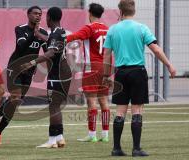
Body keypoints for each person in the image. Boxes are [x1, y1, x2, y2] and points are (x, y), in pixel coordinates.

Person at [103, 0, 176, 157]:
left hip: (120, 73)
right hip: (137, 72)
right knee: (137, 110)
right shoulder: (142, 28)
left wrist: (105, 75)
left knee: (120, 111)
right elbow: (155, 49)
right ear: (133, 11)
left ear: (120, 12)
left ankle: (116, 148)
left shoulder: (113, 30)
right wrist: (169, 65)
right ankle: (136, 149)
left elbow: (107, 55)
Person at [0, 6, 48, 145]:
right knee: (15, 98)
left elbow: (46, 53)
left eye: (40, 14)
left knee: (14, 103)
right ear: (28, 15)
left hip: (29, 71)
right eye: (35, 13)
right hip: (15, 68)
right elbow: (21, 47)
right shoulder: (20, 29)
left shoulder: (43, 32)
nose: (38, 16)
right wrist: (35, 33)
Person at [22, 7, 72, 148]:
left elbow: (50, 53)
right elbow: (52, 41)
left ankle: (51, 141)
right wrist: (39, 35)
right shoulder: (60, 31)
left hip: (57, 74)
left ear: (49, 17)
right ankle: (60, 137)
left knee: (53, 107)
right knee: (57, 106)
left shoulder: (55, 33)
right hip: (66, 74)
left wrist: (31, 63)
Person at [66, 3, 111, 143]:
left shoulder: (89, 28)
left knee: (91, 100)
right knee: (103, 100)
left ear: (90, 13)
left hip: (91, 68)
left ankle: (92, 135)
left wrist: (59, 39)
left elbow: (74, 37)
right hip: (105, 66)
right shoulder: (107, 29)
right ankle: (105, 134)